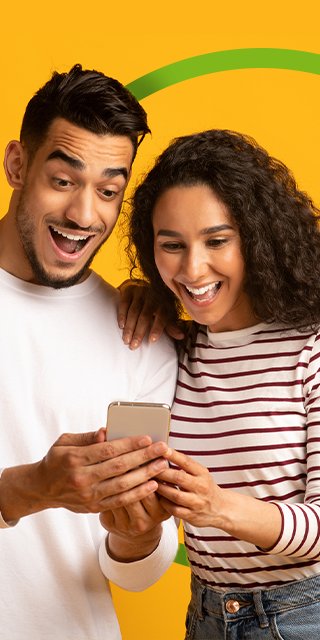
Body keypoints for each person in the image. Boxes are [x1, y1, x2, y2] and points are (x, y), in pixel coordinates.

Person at [0, 64, 179, 640]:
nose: (84, 215)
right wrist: (27, 489)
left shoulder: (139, 337)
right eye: (63, 180)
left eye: (108, 190)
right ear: (16, 165)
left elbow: (135, 573)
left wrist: (137, 533)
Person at [119, 128, 320, 638]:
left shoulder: (310, 348)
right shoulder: (174, 347)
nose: (192, 268)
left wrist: (217, 507)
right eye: (172, 245)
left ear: (256, 235)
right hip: (205, 615)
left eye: (216, 240)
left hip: (303, 614)